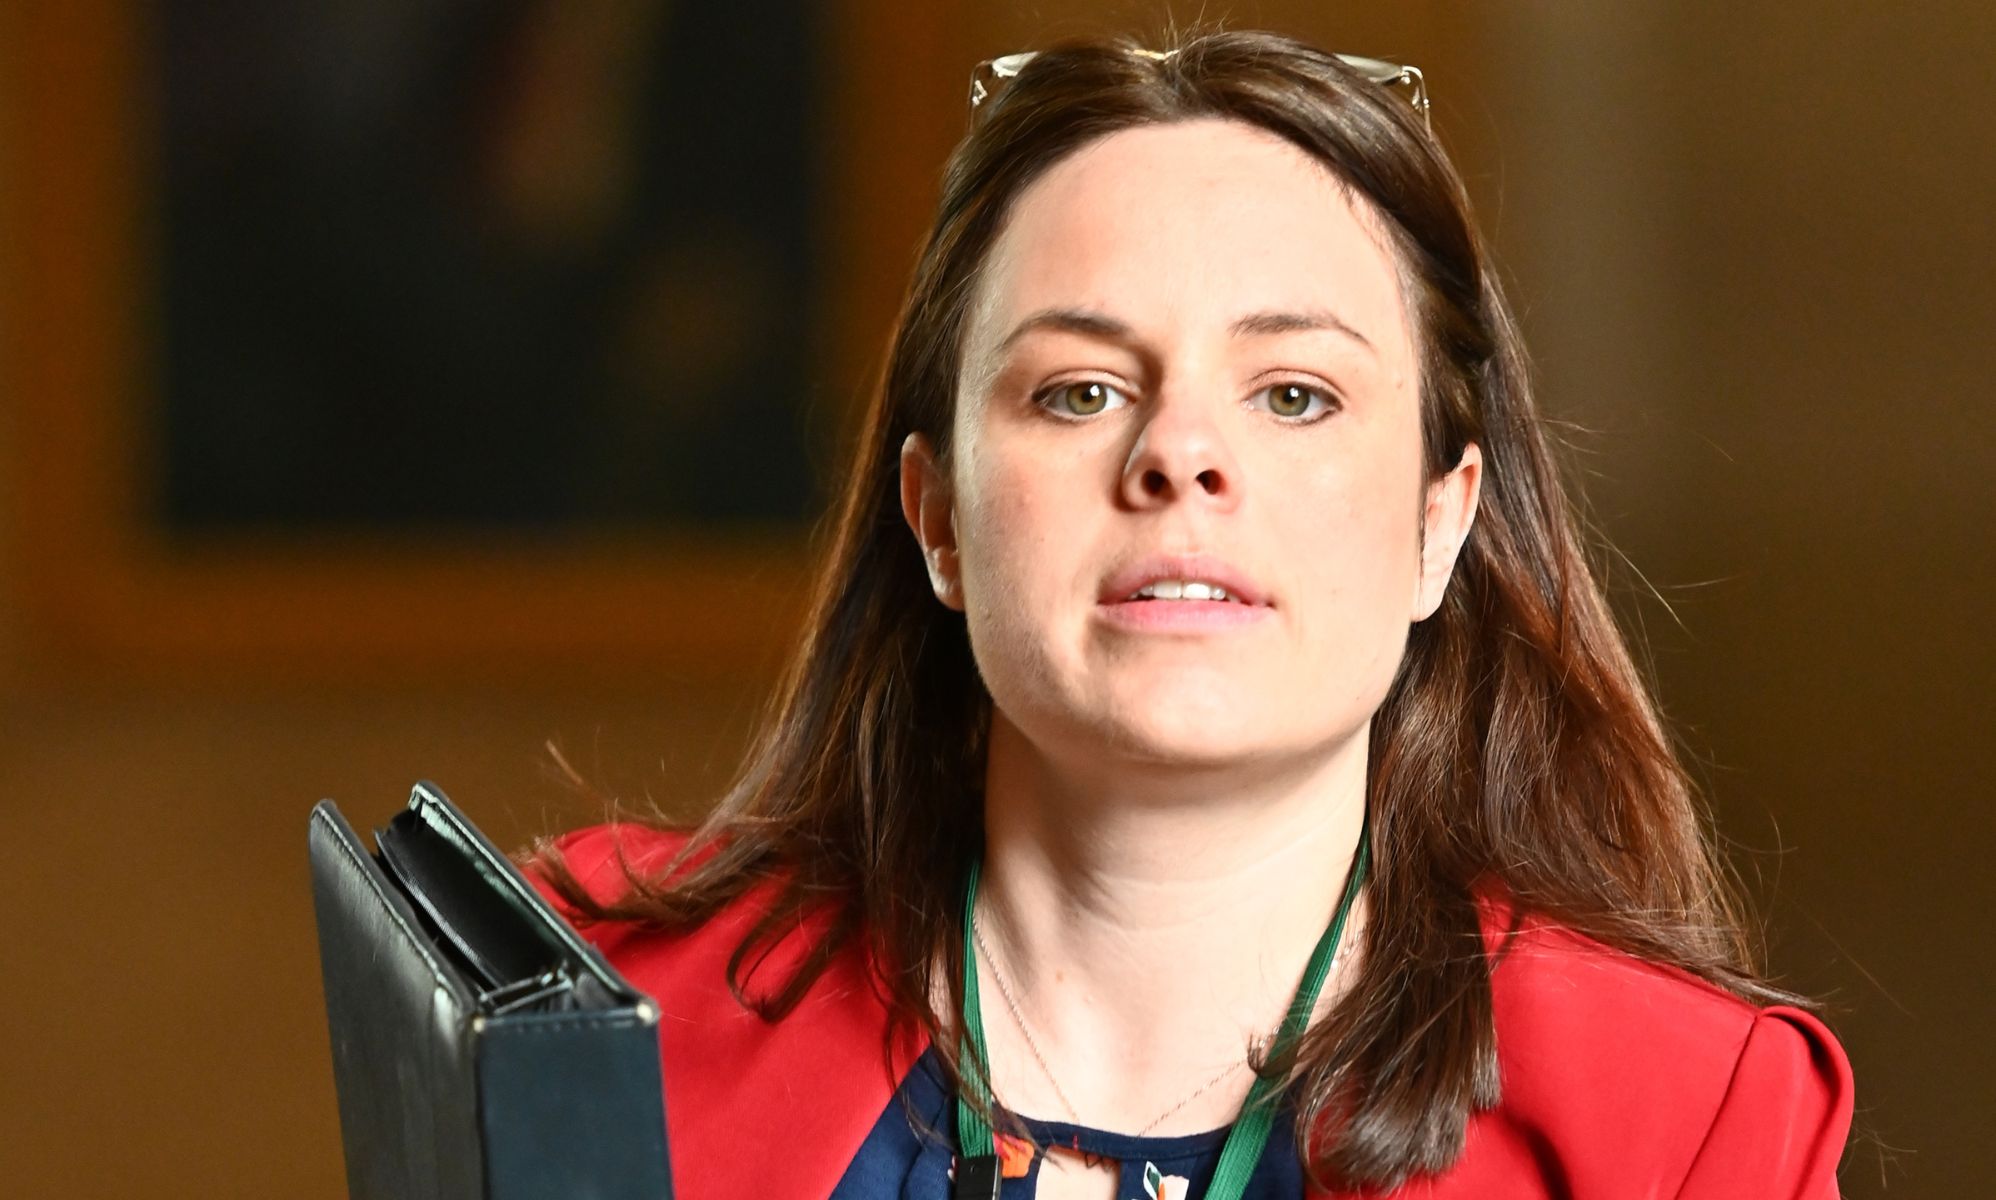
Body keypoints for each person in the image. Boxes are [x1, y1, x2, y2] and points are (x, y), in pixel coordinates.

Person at [526, 28, 1854, 1199]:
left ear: (1439, 524)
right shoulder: (581, 1014)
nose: (1179, 454)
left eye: (1292, 395)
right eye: (1080, 391)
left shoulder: (1687, 1121)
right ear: (936, 517)